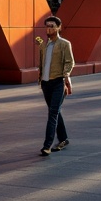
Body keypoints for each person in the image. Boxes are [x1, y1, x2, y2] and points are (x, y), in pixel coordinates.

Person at [36, 16, 74, 156]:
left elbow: (70, 62)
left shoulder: (64, 44)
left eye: (52, 26)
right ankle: (63, 139)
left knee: (52, 113)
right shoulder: (44, 45)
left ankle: (47, 145)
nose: (49, 28)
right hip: (46, 84)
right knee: (55, 111)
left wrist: (65, 76)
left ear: (59, 27)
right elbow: (42, 63)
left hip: (58, 82)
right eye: (47, 26)